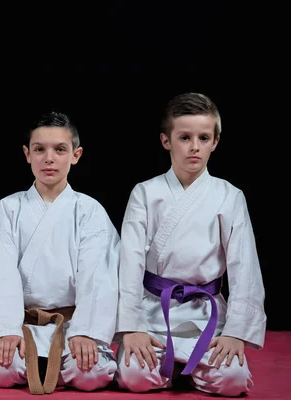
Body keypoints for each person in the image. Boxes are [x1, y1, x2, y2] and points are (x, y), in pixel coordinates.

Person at [114, 92, 266, 397]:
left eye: (203, 137)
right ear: (166, 140)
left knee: (232, 381)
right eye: (184, 137)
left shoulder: (229, 196)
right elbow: (129, 263)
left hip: (206, 315)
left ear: (215, 142)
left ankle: (193, 366)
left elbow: (244, 266)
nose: (194, 146)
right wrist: (131, 327)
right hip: (154, 311)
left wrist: (236, 333)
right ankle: (174, 368)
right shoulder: (145, 193)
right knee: (135, 377)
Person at [0, 111, 120, 394]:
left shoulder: (89, 211)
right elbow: (1, 275)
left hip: (70, 325)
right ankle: (45, 365)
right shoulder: (8, 208)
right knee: (0, 369)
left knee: (92, 374)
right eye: (39, 149)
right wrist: (7, 328)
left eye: (60, 149)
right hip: (23, 324)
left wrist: (85, 331)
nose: (49, 158)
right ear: (27, 154)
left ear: (76, 155)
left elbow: (97, 277)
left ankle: (49, 362)